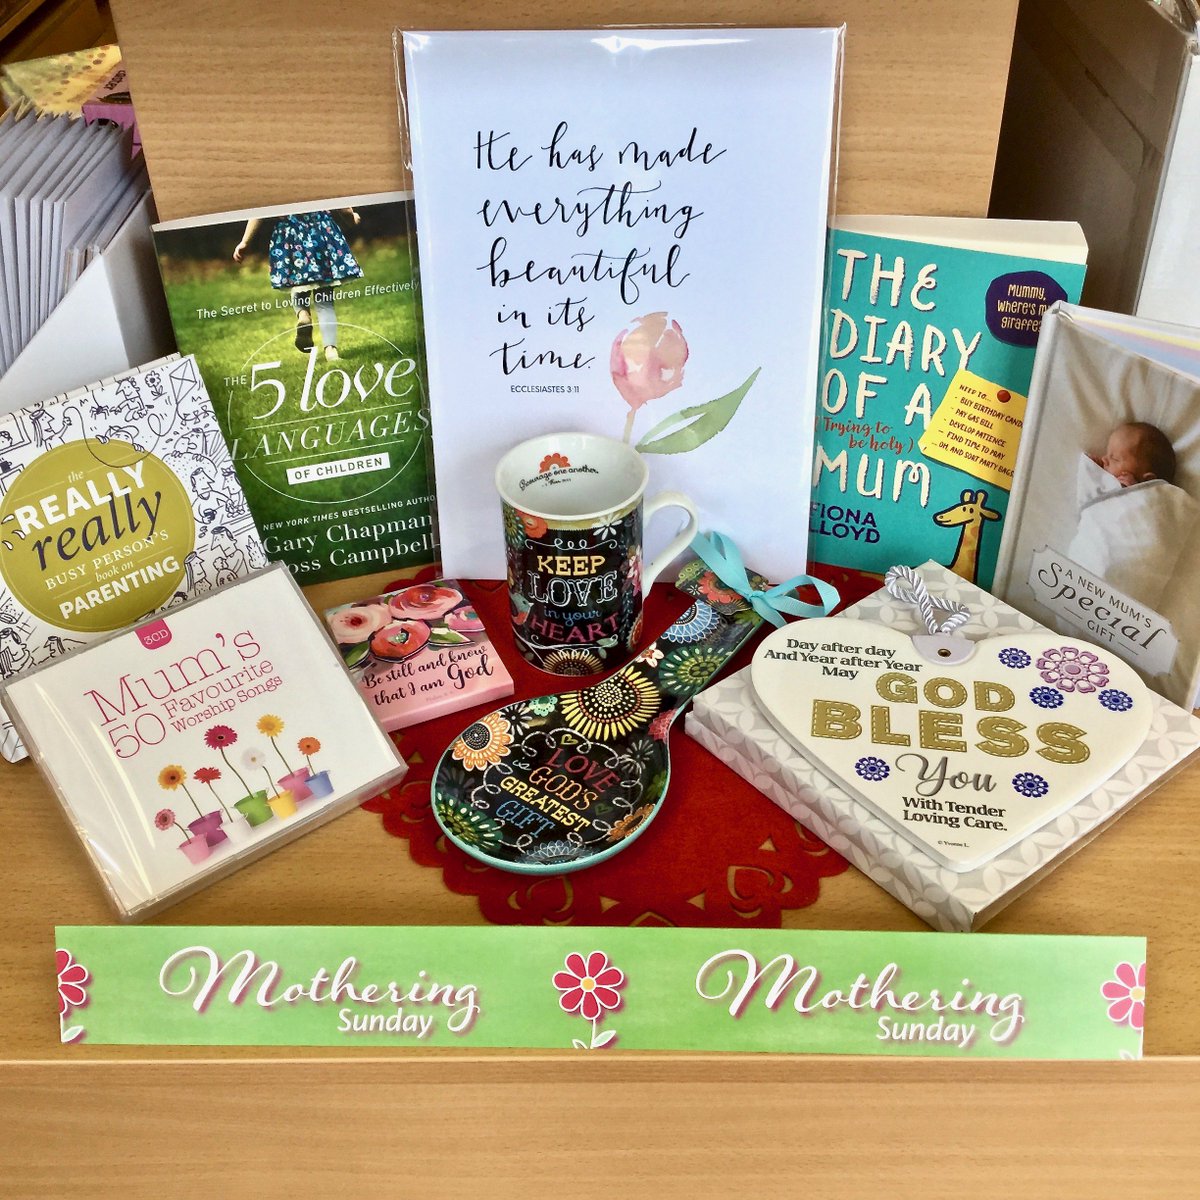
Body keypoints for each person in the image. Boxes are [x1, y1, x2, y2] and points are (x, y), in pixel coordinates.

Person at [233, 208, 363, 361]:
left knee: (297, 284)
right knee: (325, 301)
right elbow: (342, 207)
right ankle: (331, 351)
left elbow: (259, 212)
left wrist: (245, 242)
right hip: (320, 234)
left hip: (290, 238)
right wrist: (351, 217)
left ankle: (303, 315)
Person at [1091, 421, 1176, 488]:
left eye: (1115, 459)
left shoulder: (1157, 498)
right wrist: (1090, 467)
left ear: (1148, 481)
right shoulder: (1106, 480)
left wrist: (1133, 491)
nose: (1104, 459)